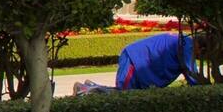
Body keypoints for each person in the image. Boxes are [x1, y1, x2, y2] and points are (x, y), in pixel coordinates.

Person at [73, 32, 207, 95]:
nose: (199, 56)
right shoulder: (187, 45)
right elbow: (192, 74)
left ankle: (90, 86)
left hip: (138, 61)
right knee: (125, 96)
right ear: (199, 46)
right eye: (201, 53)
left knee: (131, 95)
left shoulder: (184, 41)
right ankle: (87, 90)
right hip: (133, 60)